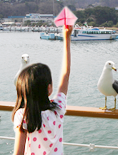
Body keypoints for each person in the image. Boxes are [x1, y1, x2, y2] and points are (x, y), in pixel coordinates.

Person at [12, 25, 73, 155]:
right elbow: (65, 74)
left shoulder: (24, 116)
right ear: (49, 88)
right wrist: (67, 38)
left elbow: (18, 153)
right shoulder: (58, 109)